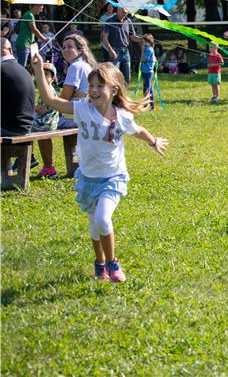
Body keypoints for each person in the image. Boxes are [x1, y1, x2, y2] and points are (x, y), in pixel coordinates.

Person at [31, 57, 168, 283]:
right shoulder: (82, 109)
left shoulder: (122, 117)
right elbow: (50, 100)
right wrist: (38, 69)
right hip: (88, 178)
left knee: (104, 219)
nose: (92, 91)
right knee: (95, 228)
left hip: (112, 178)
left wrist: (153, 142)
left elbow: (139, 130)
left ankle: (112, 262)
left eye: (98, 86)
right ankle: (100, 263)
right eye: (91, 86)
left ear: (114, 90)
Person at [35, 34, 96, 179]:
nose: (66, 50)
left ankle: (48, 167)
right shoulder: (86, 65)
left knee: (39, 125)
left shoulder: (75, 67)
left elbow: (63, 99)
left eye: (70, 47)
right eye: (64, 47)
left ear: (79, 50)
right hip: (86, 114)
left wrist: (45, 105)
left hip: (75, 116)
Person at [0, 37, 35, 138]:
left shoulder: (2, 68)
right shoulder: (21, 69)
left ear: (10, 50)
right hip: (25, 127)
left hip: (9, 128)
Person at [100, 7, 143, 84]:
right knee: (114, 76)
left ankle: (123, 94)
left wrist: (142, 39)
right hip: (115, 50)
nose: (125, 13)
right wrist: (110, 50)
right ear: (118, 10)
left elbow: (132, 37)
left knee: (127, 77)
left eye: (126, 12)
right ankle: (114, 95)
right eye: (123, 12)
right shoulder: (109, 21)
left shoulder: (128, 21)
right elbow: (104, 39)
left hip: (126, 51)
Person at [139, 34, 156, 108]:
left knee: (148, 88)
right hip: (145, 71)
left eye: (144, 42)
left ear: (148, 41)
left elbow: (143, 59)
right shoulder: (148, 48)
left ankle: (149, 104)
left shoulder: (148, 49)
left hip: (148, 72)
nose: (143, 43)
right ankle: (147, 103)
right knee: (147, 87)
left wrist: (142, 50)